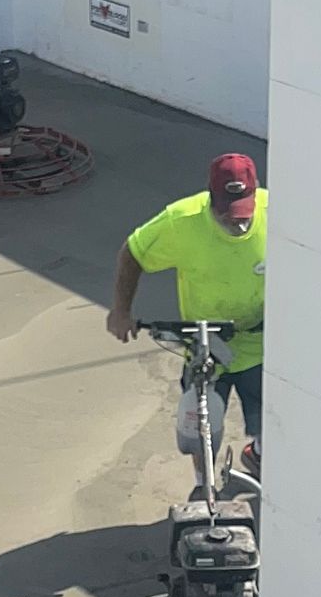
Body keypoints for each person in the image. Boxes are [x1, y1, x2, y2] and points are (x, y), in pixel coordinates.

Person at [107, 153, 267, 470]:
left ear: (256, 189)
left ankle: (259, 454)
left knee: (271, 420)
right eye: (228, 212)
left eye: (244, 211)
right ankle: (201, 483)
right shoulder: (181, 222)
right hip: (206, 345)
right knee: (200, 426)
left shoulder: (278, 212)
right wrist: (121, 311)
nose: (238, 219)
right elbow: (133, 253)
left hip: (261, 342)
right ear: (210, 196)